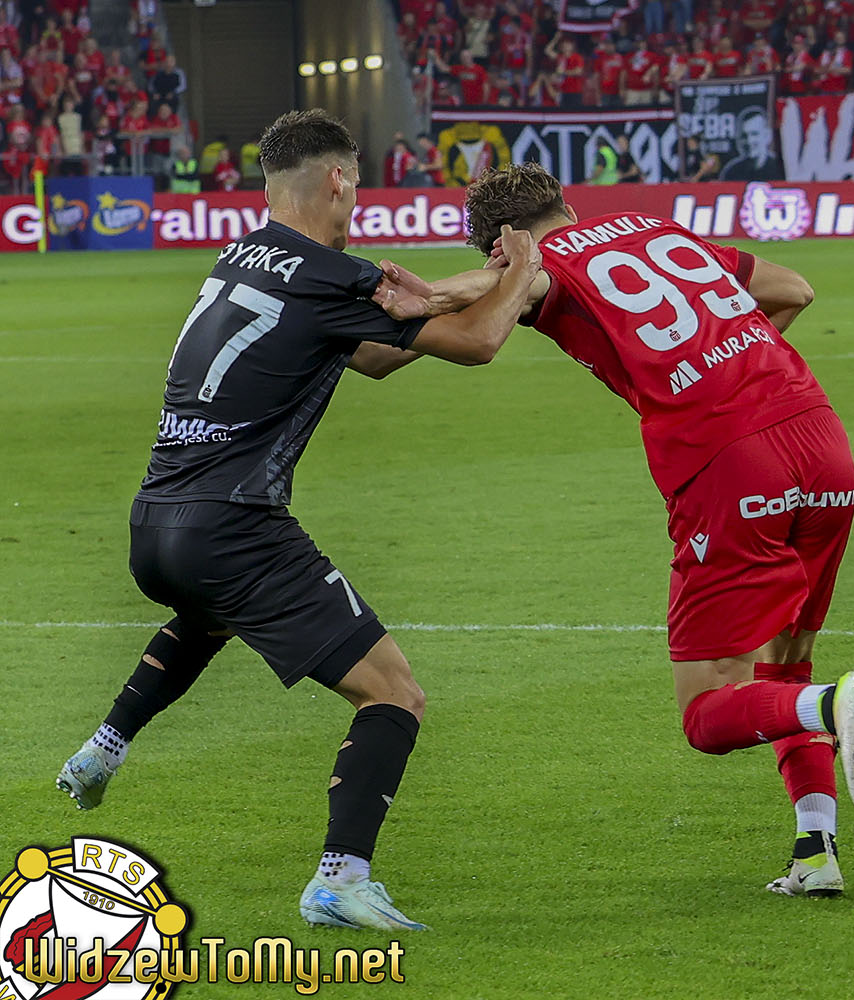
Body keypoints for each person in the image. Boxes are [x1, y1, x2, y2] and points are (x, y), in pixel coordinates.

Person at [55, 108, 541, 930]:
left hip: (157, 523)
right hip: (234, 526)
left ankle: (103, 748)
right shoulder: (328, 273)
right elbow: (480, 342)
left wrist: (453, 294)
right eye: (358, 182)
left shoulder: (242, 256)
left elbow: (373, 356)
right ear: (339, 179)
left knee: (212, 610)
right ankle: (340, 879)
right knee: (394, 694)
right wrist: (522, 269)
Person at [374, 162, 854, 897]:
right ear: (566, 204)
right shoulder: (658, 227)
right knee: (785, 666)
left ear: (501, 243)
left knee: (707, 711)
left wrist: (430, 292)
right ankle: (816, 854)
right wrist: (719, 367)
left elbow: (507, 282)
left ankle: (833, 707)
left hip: (731, 465)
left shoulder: (535, 262)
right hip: (820, 438)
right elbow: (794, 290)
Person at [718, 106, 783, 182]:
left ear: (767, 136)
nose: (749, 141)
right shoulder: (731, 172)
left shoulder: (781, 168)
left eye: (754, 134)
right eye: (744, 136)